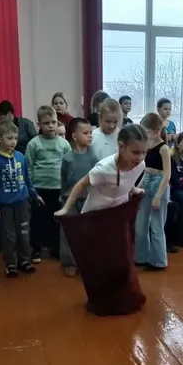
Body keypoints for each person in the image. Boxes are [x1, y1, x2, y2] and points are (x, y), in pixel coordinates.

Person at [54, 124, 148, 316]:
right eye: (135, 152)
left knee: (122, 260)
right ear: (121, 146)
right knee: (99, 262)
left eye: (143, 152)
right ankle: (102, 299)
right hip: (96, 218)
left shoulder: (141, 165)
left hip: (117, 216)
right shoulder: (104, 168)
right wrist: (66, 208)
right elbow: (81, 184)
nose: (140, 157)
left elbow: (127, 179)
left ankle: (121, 297)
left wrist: (134, 190)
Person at [0, 121, 43, 278]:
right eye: (9, 138)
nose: (13, 142)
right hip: (5, 205)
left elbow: (27, 178)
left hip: (22, 202)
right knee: (9, 235)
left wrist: (34, 194)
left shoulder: (20, 157)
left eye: (15, 138)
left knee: (24, 233)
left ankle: (24, 260)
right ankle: (10, 263)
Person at [26, 105, 71, 262]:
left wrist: (66, 189)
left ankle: (56, 248)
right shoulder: (33, 144)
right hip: (39, 189)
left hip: (58, 189)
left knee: (57, 220)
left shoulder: (64, 144)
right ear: (39, 125)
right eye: (46, 123)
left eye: (53, 122)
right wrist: (31, 190)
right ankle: (36, 248)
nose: (51, 126)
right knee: (38, 220)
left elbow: (68, 168)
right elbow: (28, 167)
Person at [59, 118, 98, 277]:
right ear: (75, 137)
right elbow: (64, 180)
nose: (90, 136)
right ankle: (69, 263)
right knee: (69, 232)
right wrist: (64, 200)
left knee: (88, 233)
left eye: (90, 133)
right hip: (70, 200)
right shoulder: (68, 158)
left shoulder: (93, 157)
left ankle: (88, 262)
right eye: (85, 133)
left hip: (88, 200)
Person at [135, 113, 171, 270]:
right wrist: (137, 187)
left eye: (148, 132)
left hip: (159, 184)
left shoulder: (163, 148)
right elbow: (142, 169)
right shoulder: (146, 145)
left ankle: (158, 261)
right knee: (141, 224)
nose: (146, 135)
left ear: (157, 130)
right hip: (146, 182)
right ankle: (141, 257)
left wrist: (158, 196)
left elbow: (167, 174)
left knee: (156, 226)